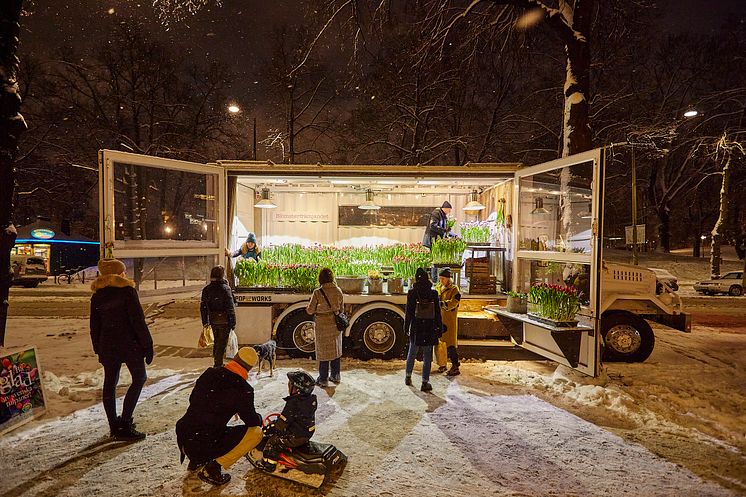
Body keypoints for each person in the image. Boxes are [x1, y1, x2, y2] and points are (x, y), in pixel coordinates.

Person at [176, 347, 264, 486]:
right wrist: (259, 418)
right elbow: (252, 421)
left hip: (184, 435)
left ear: (235, 357)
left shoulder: (211, 373)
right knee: (256, 433)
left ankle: (196, 460)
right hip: (203, 442)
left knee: (204, 423)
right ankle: (213, 468)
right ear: (250, 368)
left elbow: (194, 399)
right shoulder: (243, 389)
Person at [90, 258, 153, 441]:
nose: (126, 274)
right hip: (130, 345)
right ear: (118, 274)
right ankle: (125, 423)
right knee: (139, 378)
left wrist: (98, 348)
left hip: (108, 346)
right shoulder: (127, 292)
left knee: (110, 383)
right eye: (123, 271)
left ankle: (114, 425)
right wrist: (147, 345)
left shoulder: (97, 295)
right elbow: (137, 321)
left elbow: (95, 326)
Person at [255, 370, 318, 472]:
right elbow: (295, 418)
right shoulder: (310, 400)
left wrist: (269, 428)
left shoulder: (293, 403)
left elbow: (281, 425)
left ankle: (269, 465)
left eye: (290, 384)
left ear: (297, 389)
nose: (288, 386)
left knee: (273, 442)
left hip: (296, 436)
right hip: (306, 433)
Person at [404, 268, 443, 392]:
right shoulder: (433, 293)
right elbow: (438, 313)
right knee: (427, 356)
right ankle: (425, 382)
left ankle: (408, 376)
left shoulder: (412, 293)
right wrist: (440, 327)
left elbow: (408, 312)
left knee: (412, 352)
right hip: (429, 327)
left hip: (417, 326)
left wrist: (406, 327)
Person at [306, 268, 344, 387]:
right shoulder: (338, 290)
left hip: (322, 324)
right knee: (335, 350)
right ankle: (336, 375)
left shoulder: (318, 292)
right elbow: (341, 309)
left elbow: (310, 310)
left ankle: (323, 379)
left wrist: (308, 309)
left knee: (323, 352)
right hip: (335, 324)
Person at [200, 266, 236, 367]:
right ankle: (218, 364)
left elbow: (203, 307)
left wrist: (205, 322)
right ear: (222, 275)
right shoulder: (225, 288)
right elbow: (230, 307)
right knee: (222, 343)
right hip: (224, 321)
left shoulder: (207, 289)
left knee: (216, 341)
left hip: (213, 320)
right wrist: (233, 322)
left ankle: (217, 362)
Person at [435, 267, 461, 376]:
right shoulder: (438, 287)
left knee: (450, 345)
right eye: (440, 278)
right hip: (440, 319)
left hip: (449, 321)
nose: (441, 281)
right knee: (440, 344)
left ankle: (455, 366)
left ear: (448, 279)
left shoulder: (454, 290)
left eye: (443, 279)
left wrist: (443, 304)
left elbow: (454, 302)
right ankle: (442, 364)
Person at [423, 201, 453, 281]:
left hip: (437, 241)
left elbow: (444, 229)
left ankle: (438, 278)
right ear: (445, 208)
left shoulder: (443, 215)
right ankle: (434, 280)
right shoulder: (436, 213)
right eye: (449, 210)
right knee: (435, 260)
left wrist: (451, 234)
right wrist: (444, 230)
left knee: (437, 260)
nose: (449, 212)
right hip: (433, 240)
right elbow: (433, 226)